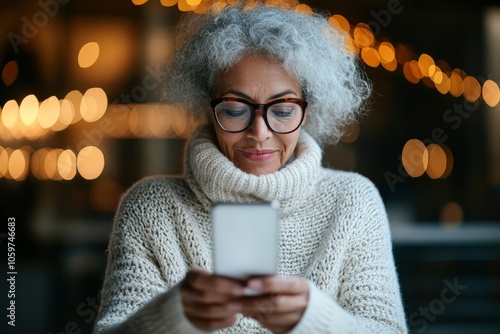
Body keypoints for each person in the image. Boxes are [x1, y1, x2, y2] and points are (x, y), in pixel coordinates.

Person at [94, 1, 407, 333]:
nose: (260, 133)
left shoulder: (353, 202)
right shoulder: (149, 207)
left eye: (283, 111)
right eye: (234, 109)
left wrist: (316, 319)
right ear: (206, 108)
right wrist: (171, 315)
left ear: (308, 111)